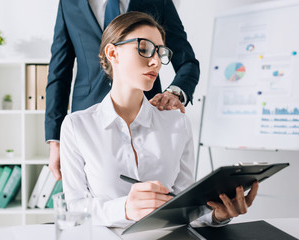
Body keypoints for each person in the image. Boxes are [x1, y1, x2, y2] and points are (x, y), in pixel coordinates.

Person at [60, 12, 259, 228]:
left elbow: (187, 205)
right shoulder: (77, 126)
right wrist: (125, 208)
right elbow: (76, 207)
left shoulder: (177, 123)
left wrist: (217, 214)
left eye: (160, 52)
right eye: (144, 48)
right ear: (112, 53)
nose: (156, 61)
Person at [46, 0, 200, 180]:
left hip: (146, 117)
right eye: (143, 49)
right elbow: (59, 72)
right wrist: (55, 141)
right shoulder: (69, 3)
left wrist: (173, 93)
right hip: (89, 121)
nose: (156, 61)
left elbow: (187, 61)